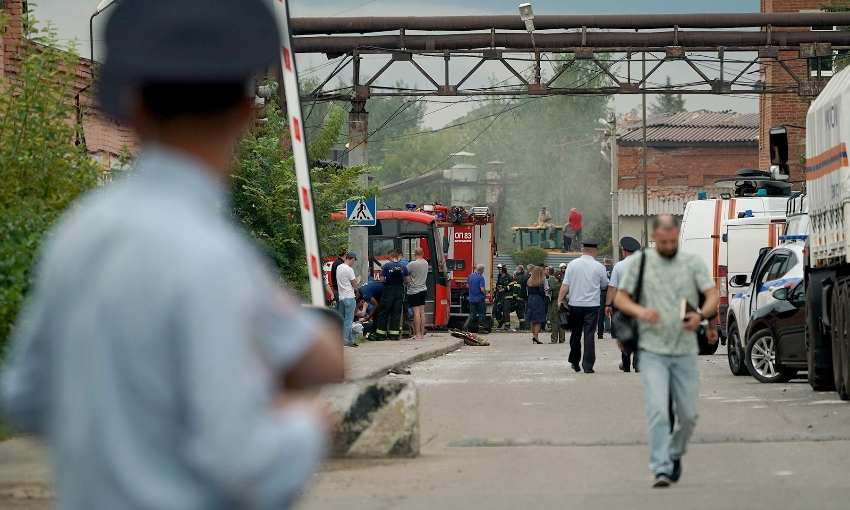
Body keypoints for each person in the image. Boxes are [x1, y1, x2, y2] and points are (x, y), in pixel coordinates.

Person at [0, 1, 346, 508]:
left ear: (133, 107)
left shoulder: (75, 235)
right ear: (247, 114)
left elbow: (24, 397)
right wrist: (307, 427)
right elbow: (241, 461)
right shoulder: (214, 256)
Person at [614, 215, 719, 488]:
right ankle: (661, 467)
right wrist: (640, 311)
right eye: (664, 242)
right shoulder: (641, 261)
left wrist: (701, 316)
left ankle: (674, 453)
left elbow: (711, 295)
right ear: (655, 238)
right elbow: (621, 298)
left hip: (685, 349)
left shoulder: (691, 262)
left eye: (673, 241)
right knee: (659, 411)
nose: (669, 246)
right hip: (652, 350)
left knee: (688, 415)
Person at [558, 238, 608, 373]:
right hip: (592, 305)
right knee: (589, 334)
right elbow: (604, 285)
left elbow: (565, 285)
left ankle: (574, 360)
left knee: (575, 333)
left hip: (575, 304)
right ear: (595, 252)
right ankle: (588, 365)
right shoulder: (600, 267)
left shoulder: (572, 265)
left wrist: (559, 300)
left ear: (582, 250)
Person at [605, 237, 642, 372]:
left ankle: (625, 364)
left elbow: (612, 288)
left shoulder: (619, 266)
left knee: (624, 331)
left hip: (623, 303)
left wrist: (607, 304)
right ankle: (638, 364)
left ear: (624, 251)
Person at [374, 250, 410, 341]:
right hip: (399, 291)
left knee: (384, 312)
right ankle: (394, 335)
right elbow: (407, 280)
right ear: (398, 257)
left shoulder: (387, 266)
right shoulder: (403, 267)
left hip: (389, 290)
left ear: (390, 257)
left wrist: (387, 280)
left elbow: (382, 279)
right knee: (396, 313)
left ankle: (381, 335)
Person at [337, 253, 362, 347]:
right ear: (352, 259)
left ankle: (351, 341)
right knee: (348, 320)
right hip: (349, 297)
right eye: (354, 261)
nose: (354, 262)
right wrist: (358, 280)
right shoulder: (349, 269)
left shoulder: (339, 267)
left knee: (345, 319)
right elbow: (355, 285)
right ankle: (344, 340)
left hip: (342, 297)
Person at [407, 247, 429, 340]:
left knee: (416, 313)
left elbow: (405, 272)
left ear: (414, 254)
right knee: (422, 312)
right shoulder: (426, 263)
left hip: (414, 290)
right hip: (423, 289)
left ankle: (418, 334)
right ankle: (422, 334)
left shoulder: (412, 264)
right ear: (423, 253)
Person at [525, 266, 548, 344]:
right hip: (538, 300)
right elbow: (542, 292)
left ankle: (534, 335)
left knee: (532, 319)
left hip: (530, 299)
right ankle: (536, 337)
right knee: (538, 319)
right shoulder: (540, 281)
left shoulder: (529, 280)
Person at [464, 264, 488, 333]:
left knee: (472, 314)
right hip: (480, 299)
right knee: (482, 314)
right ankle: (481, 329)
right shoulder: (480, 278)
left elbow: (467, 285)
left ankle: (465, 327)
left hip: (471, 299)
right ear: (481, 270)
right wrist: (486, 293)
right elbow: (482, 289)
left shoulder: (470, 276)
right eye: (483, 270)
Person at [548, 269, 565, 344]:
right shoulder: (564, 284)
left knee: (555, 320)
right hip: (563, 302)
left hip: (555, 302)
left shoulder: (553, 285)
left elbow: (549, 293)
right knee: (562, 320)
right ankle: (562, 339)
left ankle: (554, 339)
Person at [598, 256, 614, 339]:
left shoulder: (601, 269)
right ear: (610, 262)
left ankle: (600, 333)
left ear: (604, 262)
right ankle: (614, 333)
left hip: (602, 293)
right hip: (612, 292)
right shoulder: (613, 270)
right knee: (613, 312)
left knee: (601, 313)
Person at [514, 265, 530, 330]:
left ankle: (522, 326)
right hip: (525, 297)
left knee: (520, 312)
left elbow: (515, 288)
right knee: (525, 311)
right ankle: (525, 325)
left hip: (519, 297)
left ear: (519, 270)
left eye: (516, 269)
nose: (515, 271)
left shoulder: (517, 278)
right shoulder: (525, 276)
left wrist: (514, 296)